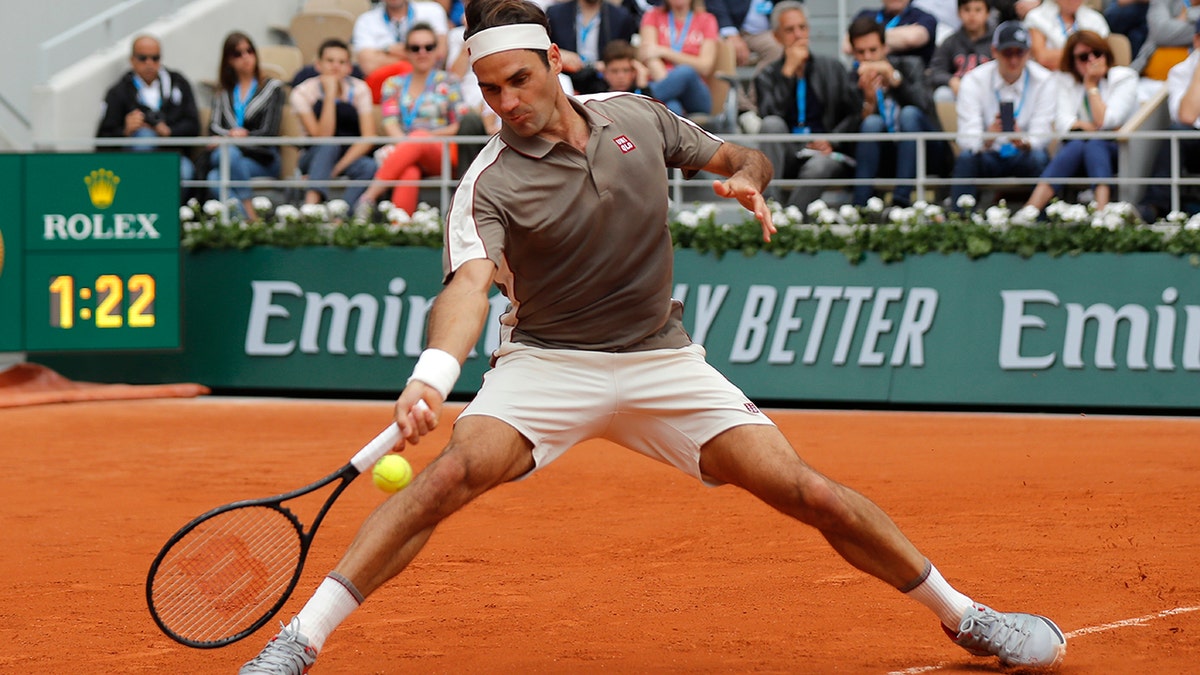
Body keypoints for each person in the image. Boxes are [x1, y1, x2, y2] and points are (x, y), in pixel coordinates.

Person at [238, 1, 1068, 673]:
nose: (508, 103)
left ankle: (967, 618)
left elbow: (738, 155)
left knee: (807, 491)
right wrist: (431, 371)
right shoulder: (488, 181)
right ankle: (297, 643)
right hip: (547, 366)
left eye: (519, 80)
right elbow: (469, 285)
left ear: (556, 62)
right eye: (490, 90)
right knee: (447, 475)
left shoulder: (636, 116)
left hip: (664, 362)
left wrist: (748, 175)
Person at [753, 1, 859, 208]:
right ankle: (769, 205)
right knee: (772, 124)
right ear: (777, 37)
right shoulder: (767, 75)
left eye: (802, 28)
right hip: (789, 153)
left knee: (819, 166)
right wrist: (787, 73)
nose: (798, 35)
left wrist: (832, 141)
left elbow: (854, 114)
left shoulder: (833, 68)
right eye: (790, 30)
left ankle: (787, 218)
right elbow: (768, 117)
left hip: (823, 152)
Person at [356, 23, 471, 215]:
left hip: (443, 152)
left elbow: (461, 124)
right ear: (406, 52)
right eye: (415, 48)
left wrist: (425, 137)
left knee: (418, 138)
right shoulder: (393, 84)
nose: (422, 52)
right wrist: (410, 146)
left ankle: (368, 197)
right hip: (405, 152)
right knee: (410, 170)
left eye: (429, 47)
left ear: (437, 51)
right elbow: (390, 122)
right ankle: (401, 227)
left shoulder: (449, 81)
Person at [1024, 30, 1137, 212]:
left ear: (1106, 54)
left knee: (1094, 145)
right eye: (1083, 57)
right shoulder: (1065, 80)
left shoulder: (1124, 77)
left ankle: (1101, 211)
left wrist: (1091, 86)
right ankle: (1029, 211)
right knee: (1078, 145)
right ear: (1073, 62)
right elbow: (1063, 123)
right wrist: (1091, 129)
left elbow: (1107, 120)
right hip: (1078, 150)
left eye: (1097, 53)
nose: (1092, 60)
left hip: (1119, 151)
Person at [950, 21, 1056, 205]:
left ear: (1029, 53)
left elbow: (1042, 133)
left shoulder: (1044, 80)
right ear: (994, 51)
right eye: (1007, 52)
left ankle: (1043, 223)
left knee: (1040, 158)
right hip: (988, 153)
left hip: (1024, 154)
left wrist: (1023, 140)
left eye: (1019, 52)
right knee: (967, 158)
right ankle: (960, 223)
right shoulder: (973, 80)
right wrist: (988, 137)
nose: (1014, 60)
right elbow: (966, 137)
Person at [847, 16, 942, 207]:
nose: (867, 57)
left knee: (909, 114)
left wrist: (896, 80)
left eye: (873, 50)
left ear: (885, 48)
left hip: (925, 151)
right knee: (872, 123)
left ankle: (901, 201)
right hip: (885, 157)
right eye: (860, 52)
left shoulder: (910, 65)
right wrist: (868, 103)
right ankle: (860, 207)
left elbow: (925, 107)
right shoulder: (851, 80)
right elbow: (848, 136)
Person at [96, 35, 199, 189]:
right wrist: (125, 130)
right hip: (133, 161)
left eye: (155, 58)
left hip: (172, 155)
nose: (149, 63)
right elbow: (102, 140)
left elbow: (193, 124)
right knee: (144, 136)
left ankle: (168, 212)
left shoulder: (178, 83)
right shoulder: (118, 92)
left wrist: (168, 131)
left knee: (184, 172)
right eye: (143, 58)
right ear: (132, 60)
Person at [205, 32, 285, 220]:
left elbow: (269, 132)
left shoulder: (272, 87)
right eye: (238, 54)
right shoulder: (223, 92)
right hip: (231, 157)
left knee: (217, 174)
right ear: (228, 61)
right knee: (219, 168)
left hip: (262, 158)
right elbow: (213, 127)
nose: (245, 57)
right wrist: (232, 137)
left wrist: (235, 139)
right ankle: (247, 219)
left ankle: (245, 217)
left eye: (249, 51)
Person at [289, 38, 378, 205]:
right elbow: (322, 137)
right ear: (318, 65)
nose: (335, 66)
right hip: (313, 155)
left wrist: (335, 170)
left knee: (369, 166)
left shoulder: (360, 89)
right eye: (330, 61)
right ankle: (311, 209)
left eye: (342, 62)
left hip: (347, 156)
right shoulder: (302, 92)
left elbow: (369, 138)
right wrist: (330, 94)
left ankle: (343, 217)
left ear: (349, 68)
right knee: (329, 145)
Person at [1136, 15, 1200, 220]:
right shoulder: (1180, 72)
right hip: (1194, 145)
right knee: (1177, 133)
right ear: (1197, 41)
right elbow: (1186, 116)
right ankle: (1154, 206)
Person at [352, 0, 451, 99]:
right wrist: (414, 56)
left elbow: (439, 55)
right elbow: (368, 65)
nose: (419, 52)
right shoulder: (365, 20)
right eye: (414, 48)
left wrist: (386, 51)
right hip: (383, 87)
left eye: (414, 48)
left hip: (430, 84)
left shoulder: (433, 10)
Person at [636, 0, 719, 117]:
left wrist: (665, 52)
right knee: (673, 107)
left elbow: (705, 66)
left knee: (686, 71)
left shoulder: (707, 19)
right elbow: (649, 55)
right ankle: (650, 99)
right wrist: (671, 84)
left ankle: (639, 104)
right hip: (661, 82)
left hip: (695, 93)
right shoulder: (652, 15)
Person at [546, 0, 639, 95]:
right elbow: (542, 47)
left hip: (603, 82)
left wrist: (606, 65)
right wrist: (559, 53)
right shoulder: (555, 14)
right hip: (565, 77)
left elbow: (623, 53)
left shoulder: (620, 16)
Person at [927, 0, 996, 102]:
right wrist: (950, 80)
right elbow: (935, 71)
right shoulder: (950, 41)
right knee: (942, 94)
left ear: (987, 13)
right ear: (959, 13)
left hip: (988, 92)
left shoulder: (996, 41)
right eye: (967, 10)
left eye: (978, 10)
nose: (972, 15)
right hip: (959, 92)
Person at [847, 0, 940, 66]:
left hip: (908, 80)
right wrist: (903, 33)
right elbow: (847, 45)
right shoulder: (865, 14)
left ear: (885, 48)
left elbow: (912, 39)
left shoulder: (925, 18)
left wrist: (868, 36)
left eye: (873, 49)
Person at [1025, 0, 1110, 70]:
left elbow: (1104, 58)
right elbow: (1043, 59)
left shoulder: (1096, 19)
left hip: (1089, 79)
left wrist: (1059, 56)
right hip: (1050, 80)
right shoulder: (1036, 17)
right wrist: (1083, 56)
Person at [1129, 0, 1200, 78]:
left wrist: (1185, 16)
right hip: (1146, 78)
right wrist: (1194, 22)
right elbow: (1159, 33)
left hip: (1188, 83)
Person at [706, 0, 783, 68]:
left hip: (767, 31)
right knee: (721, 47)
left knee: (782, 44)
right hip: (734, 29)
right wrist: (731, 33)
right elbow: (715, 6)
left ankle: (762, 83)